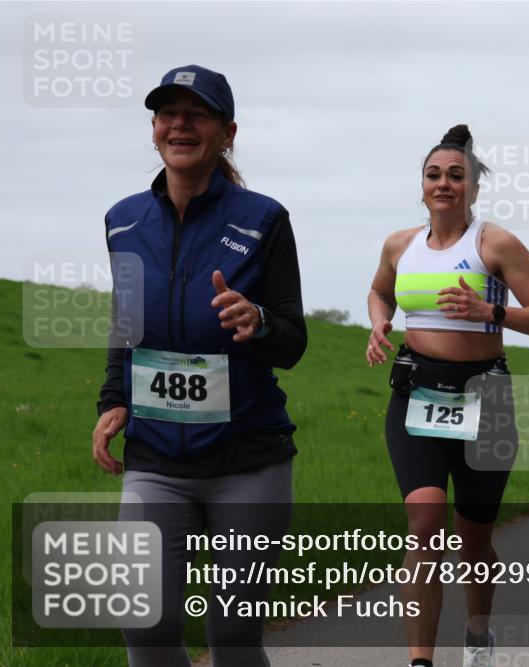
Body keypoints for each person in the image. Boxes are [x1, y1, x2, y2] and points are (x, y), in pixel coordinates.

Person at [92, 65, 307, 667]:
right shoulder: (123, 220)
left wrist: (257, 322)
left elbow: (292, 340)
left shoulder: (264, 219)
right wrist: (113, 399)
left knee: (232, 637)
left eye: (197, 113)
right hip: (155, 458)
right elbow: (124, 322)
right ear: (155, 128)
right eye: (168, 113)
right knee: (147, 627)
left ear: (226, 132)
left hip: (248, 459)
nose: (180, 124)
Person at [365, 124, 529, 667]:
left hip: (485, 401)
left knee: (474, 544)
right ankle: (421, 661)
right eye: (434, 175)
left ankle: (477, 638)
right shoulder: (399, 245)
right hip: (416, 392)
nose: (444, 184)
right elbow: (379, 290)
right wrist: (380, 323)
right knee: (425, 524)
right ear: (421, 186)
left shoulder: (494, 244)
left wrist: (491, 312)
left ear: (474, 188)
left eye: (457, 175)